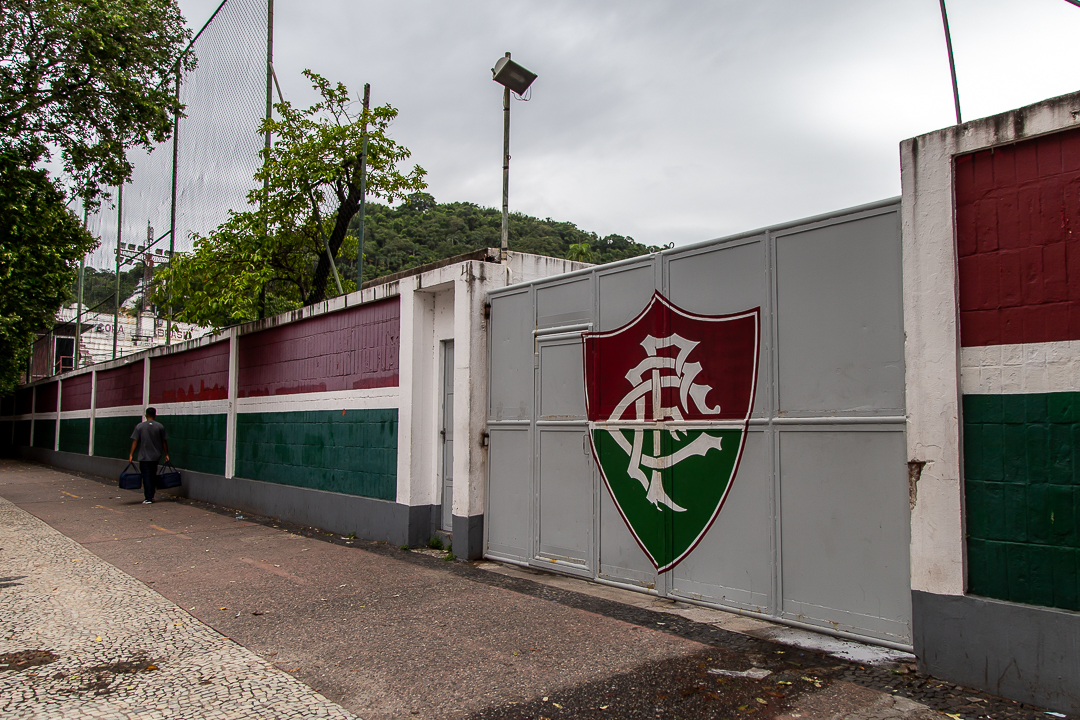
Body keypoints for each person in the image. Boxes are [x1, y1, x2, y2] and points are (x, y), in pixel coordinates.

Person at [129, 407, 169, 505]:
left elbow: (135, 441)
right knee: (153, 475)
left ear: (146, 415)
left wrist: (131, 454)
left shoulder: (140, 426)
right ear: (155, 415)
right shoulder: (160, 426)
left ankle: (148, 497)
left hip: (144, 456)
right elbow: (164, 442)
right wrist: (166, 454)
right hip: (155, 456)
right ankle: (152, 494)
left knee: (146, 476)